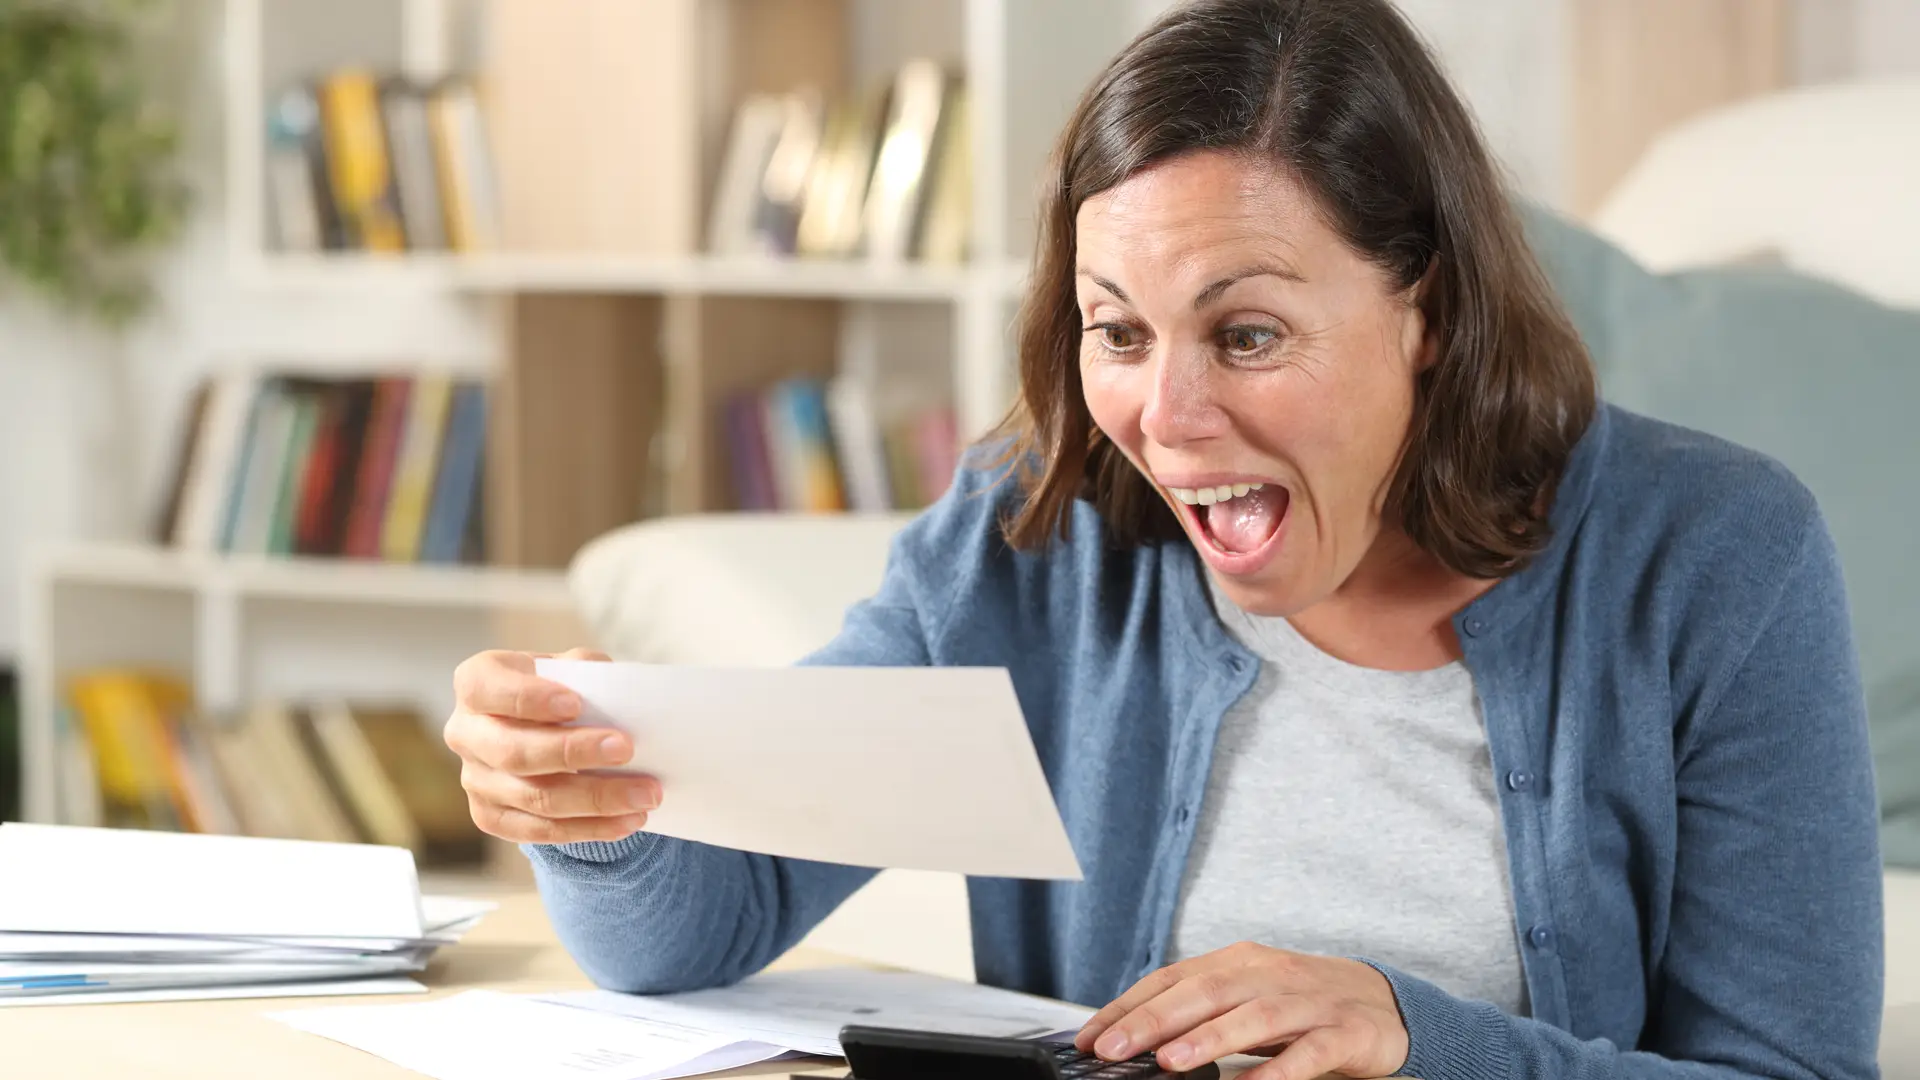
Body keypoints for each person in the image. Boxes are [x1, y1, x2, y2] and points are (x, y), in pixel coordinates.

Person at [442, 1, 1884, 1077]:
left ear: (1429, 314)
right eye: (1116, 332)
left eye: (1247, 333)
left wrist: (1411, 1038)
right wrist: (593, 802)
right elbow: (689, 936)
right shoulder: (1034, 531)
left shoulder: (1716, 558)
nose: (1167, 414)